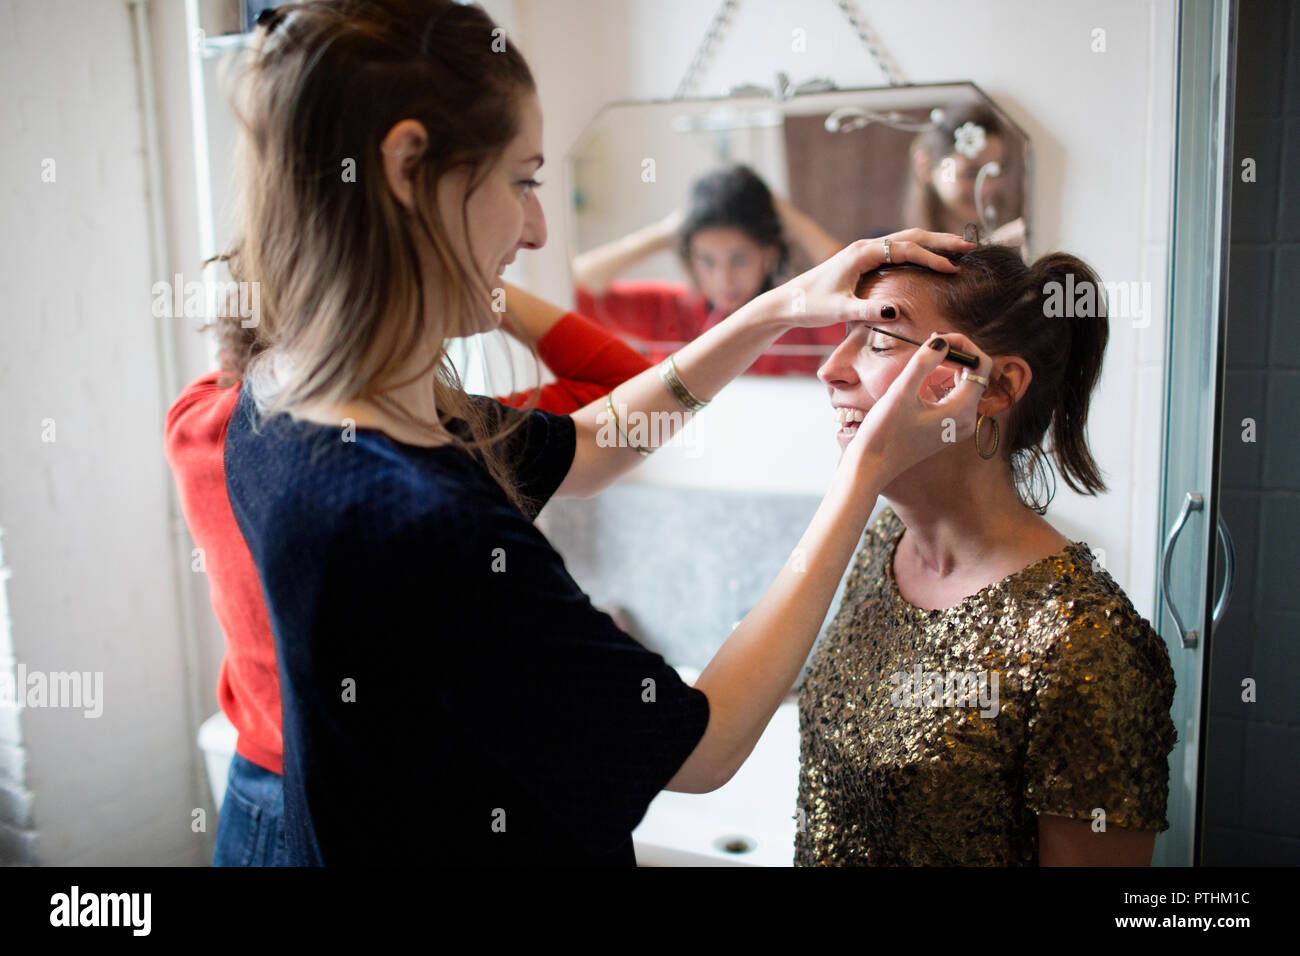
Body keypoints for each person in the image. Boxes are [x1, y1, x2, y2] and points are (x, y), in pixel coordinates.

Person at [217, 0, 985, 866]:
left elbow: (589, 447)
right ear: (405, 167)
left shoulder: (286, 397)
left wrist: (778, 308)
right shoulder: (419, 520)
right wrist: (862, 477)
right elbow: (705, 748)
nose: (538, 228)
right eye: (523, 179)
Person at [165, 283, 653, 865]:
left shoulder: (194, 422)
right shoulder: (438, 449)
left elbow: (236, 366)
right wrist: (478, 285)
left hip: (254, 800)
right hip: (367, 807)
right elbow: (627, 390)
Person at [796, 243, 1177, 866]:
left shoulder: (1083, 641)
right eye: (845, 335)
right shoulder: (878, 549)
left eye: (879, 340)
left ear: (997, 387)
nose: (831, 368)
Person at [572, 164, 845, 375]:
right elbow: (577, 290)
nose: (723, 279)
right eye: (707, 260)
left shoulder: (799, 312)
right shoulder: (669, 309)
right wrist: (664, 233)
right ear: (690, 257)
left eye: (738, 260)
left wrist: (790, 217)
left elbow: (860, 295)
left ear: (768, 253)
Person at [901, 103, 1026, 254]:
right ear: (925, 166)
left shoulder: (1022, 247)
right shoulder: (893, 254)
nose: (986, 188)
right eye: (970, 173)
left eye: (994, 172)